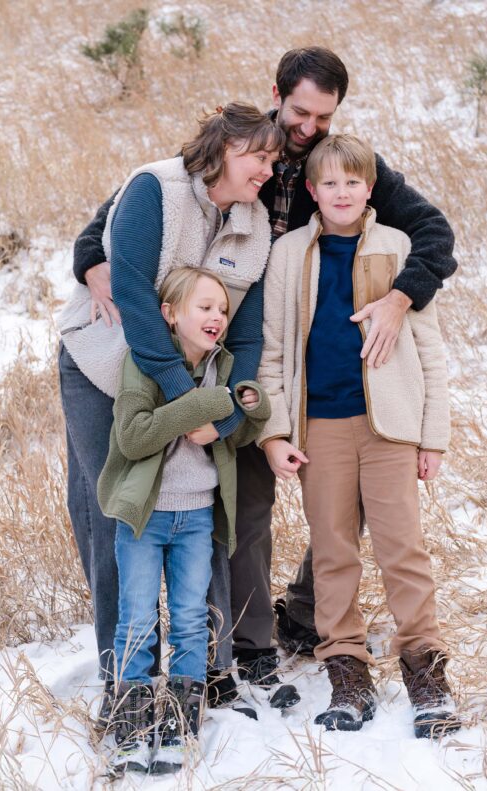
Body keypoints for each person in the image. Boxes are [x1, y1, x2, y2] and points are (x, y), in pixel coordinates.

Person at [71, 47, 458, 695]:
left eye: (322, 117)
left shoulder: (344, 166)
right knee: (238, 499)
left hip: (299, 356)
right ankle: (234, 642)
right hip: (217, 346)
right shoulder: (240, 145)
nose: (307, 129)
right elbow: (120, 216)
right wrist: (89, 257)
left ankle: (306, 613)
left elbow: (433, 232)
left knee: (347, 497)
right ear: (278, 94)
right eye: (300, 112)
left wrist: (399, 296)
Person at [57, 103, 284, 722]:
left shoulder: (256, 223)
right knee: (120, 512)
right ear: (221, 149)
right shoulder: (155, 188)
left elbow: (245, 337)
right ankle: (123, 684)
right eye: (257, 157)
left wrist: (229, 417)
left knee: (198, 507)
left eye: (272, 160)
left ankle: (204, 673)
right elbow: (132, 294)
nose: (268, 169)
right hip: (107, 365)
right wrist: (184, 400)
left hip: (202, 385)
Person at [257, 134, 460, 738]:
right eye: (329, 184)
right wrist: (273, 431)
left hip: (391, 428)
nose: (341, 193)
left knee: (403, 548)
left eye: (354, 183)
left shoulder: (398, 248)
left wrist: (433, 438)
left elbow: (429, 351)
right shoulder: (289, 254)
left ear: (371, 189)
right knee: (332, 552)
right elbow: (271, 353)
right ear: (311, 192)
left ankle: (425, 666)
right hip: (320, 425)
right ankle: (346, 667)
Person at [98, 268, 270, 774]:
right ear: (171, 315)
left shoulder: (226, 367)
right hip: (145, 518)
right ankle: (131, 723)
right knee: (137, 620)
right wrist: (202, 404)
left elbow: (234, 435)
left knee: (192, 620)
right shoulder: (145, 365)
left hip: (196, 516)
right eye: (205, 307)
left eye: (222, 309)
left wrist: (248, 409)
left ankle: (178, 720)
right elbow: (133, 436)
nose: (217, 316)